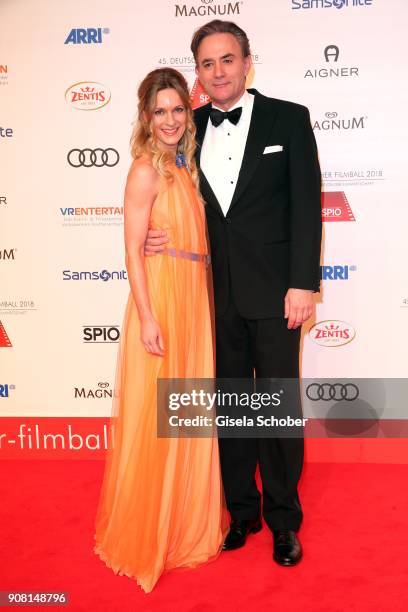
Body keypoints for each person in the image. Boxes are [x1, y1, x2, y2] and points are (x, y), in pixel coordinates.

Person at [146, 20, 322, 566]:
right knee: (230, 411)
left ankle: (284, 522)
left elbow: (306, 207)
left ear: (247, 62)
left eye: (227, 59)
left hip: (276, 296)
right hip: (209, 297)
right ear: (196, 72)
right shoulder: (186, 126)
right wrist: (151, 232)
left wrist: (303, 284)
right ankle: (241, 513)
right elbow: (161, 191)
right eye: (206, 63)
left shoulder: (289, 119)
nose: (218, 72)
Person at [94, 67, 228, 593]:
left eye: (178, 109)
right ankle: (150, 535)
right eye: (160, 111)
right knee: (160, 417)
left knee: (188, 413)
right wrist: (148, 316)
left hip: (194, 295)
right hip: (164, 300)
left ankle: (184, 526)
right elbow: (131, 248)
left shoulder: (185, 164)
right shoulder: (145, 170)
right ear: (146, 117)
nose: (171, 120)